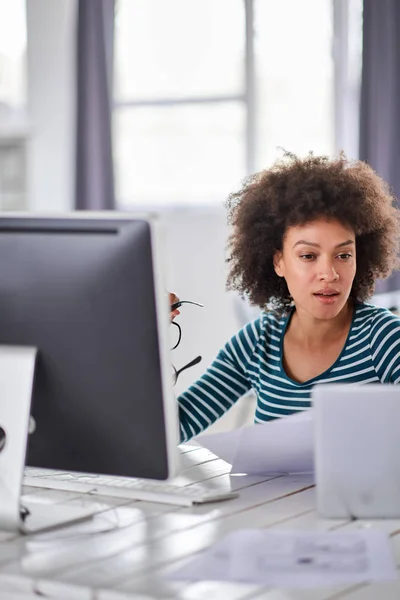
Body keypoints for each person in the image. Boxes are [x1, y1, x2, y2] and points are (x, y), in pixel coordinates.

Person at [173, 152, 400, 443]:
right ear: (279, 262)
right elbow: (178, 425)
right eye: (308, 255)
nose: (329, 273)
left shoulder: (383, 339)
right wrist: (145, 342)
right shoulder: (257, 342)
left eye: (344, 255)